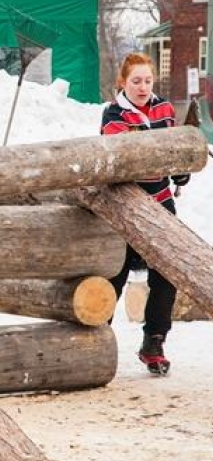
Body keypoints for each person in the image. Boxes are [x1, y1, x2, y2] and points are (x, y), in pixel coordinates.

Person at [101, 52, 189, 375]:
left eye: (147, 81)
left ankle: (154, 339)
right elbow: (123, 158)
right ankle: (97, 337)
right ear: (123, 83)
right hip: (126, 205)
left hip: (161, 202)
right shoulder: (113, 115)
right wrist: (161, 156)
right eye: (136, 81)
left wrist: (180, 171)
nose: (142, 87)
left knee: (167, 270)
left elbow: (176, 151)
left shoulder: (164, 109)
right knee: (115, 272)